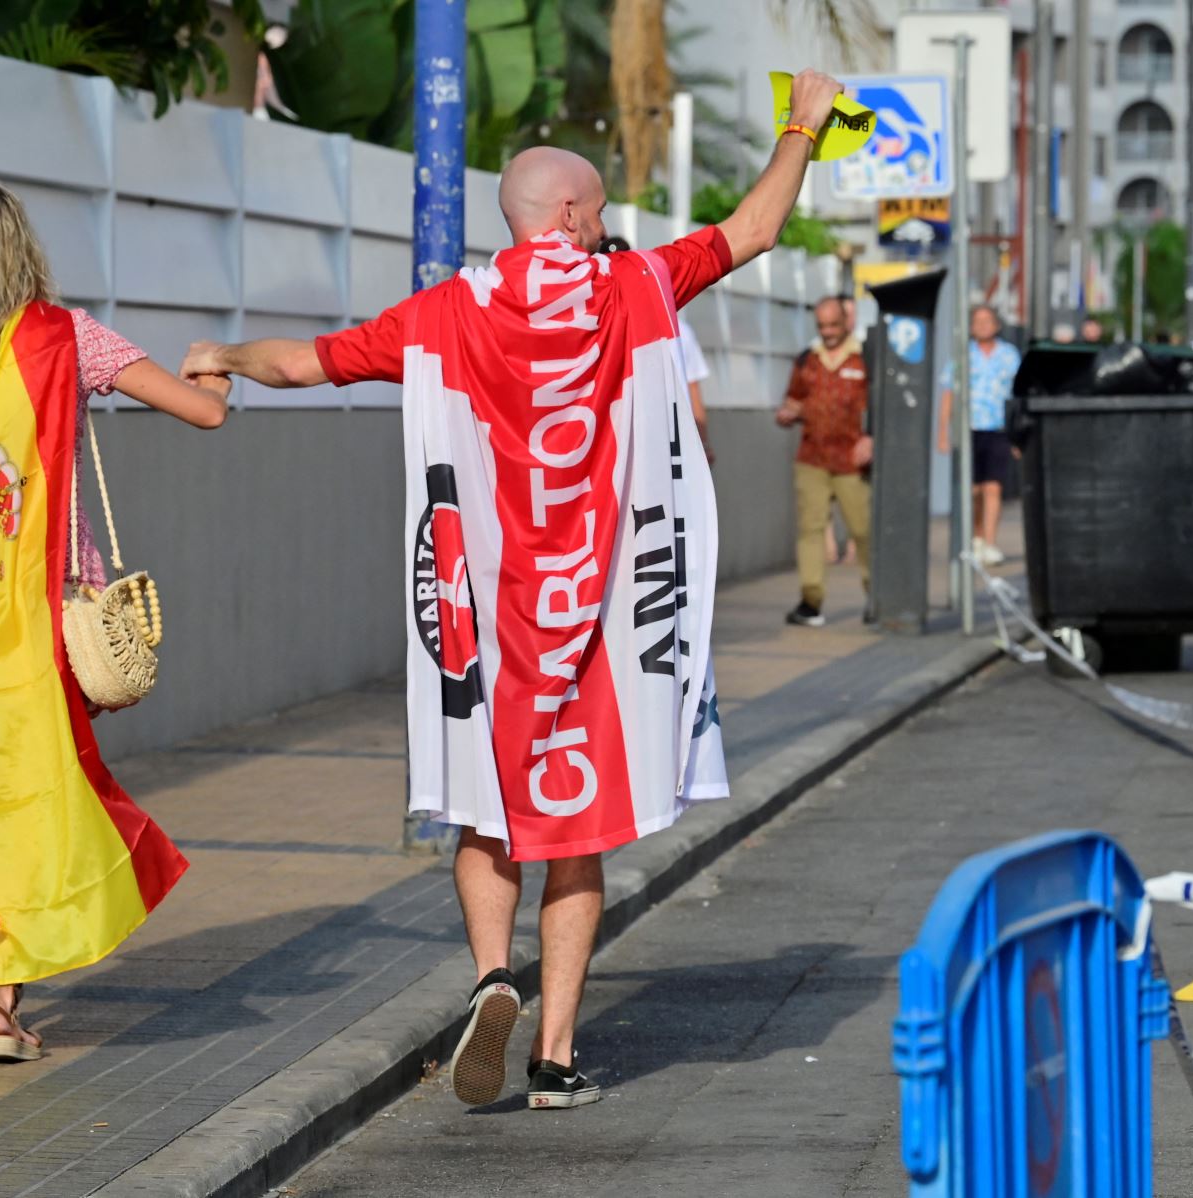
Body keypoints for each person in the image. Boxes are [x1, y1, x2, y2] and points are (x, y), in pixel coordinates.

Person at [178, 69, 847, 1111]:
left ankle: (494, 975)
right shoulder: (633, 287)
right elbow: (754, 229)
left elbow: (307, 362)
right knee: (574, 836)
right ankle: (556, 1055)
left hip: (492, 626)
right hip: (603, 624)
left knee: (488, 817)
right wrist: (803, 121)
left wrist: (221, 352)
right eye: (603, 210)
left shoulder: (449, 311)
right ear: (575, 216)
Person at [0, 180, 232, 1063]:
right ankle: (0, 993)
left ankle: (2, 992)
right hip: (46, 622)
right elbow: (205, 411)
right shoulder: (64, 339)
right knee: (40, 790)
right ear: (22, 248)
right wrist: (213, 369)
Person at [777, 295, 873, 627]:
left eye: (834, 324)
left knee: (863, 530)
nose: (828, 332)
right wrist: (789, 412)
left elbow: (878, 406)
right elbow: (794, 398)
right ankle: (810, 600)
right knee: (811, 530)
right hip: (813, 457)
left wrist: (871, 437)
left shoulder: (865, 359)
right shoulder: (808, 359)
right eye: (822, 326)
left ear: (846, 321)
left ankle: (876, 597)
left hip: (852, 460)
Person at [598, 235, 714, 462]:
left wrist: (703, 442)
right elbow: (693, 391)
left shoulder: (680, 329)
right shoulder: (678, 327)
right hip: (653, 440)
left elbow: (692, 390)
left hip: (662, 437)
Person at [937, 303, 1022, 566]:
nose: (983, 326)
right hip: (969, 428)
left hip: (998, 428)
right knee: (973, 489)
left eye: (988, 321)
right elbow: (949, 393)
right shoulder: (963, 355)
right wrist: (943, 430)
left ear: (996, 325)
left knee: (993, 487)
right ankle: (977, 535)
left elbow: (1018, 395)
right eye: (978, 321)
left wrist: (1018, 435)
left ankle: (990, 541)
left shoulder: (1009, 355)